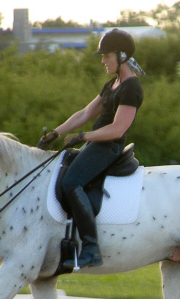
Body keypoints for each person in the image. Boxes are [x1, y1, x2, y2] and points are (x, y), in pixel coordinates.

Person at [38, 28, 144, 269]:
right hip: (95, 144)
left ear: (122, 56)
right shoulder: (113, 84)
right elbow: (86, 113)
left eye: (106, 55)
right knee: (60, 166)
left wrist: (83, 136)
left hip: (109, 148)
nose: (103, 60)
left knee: (71, 182)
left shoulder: (131, 88)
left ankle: (91, 247)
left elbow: (118, 129)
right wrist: (58, 132)